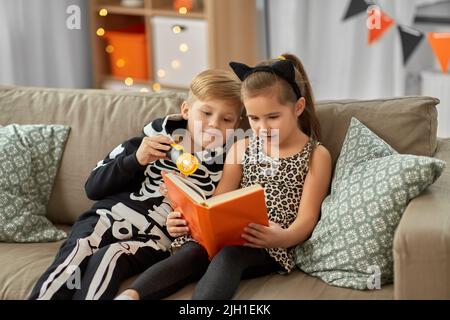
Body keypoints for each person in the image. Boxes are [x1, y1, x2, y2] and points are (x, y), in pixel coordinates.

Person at [116, 53, 332, 300]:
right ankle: (130, 296)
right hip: (228, 234)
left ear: (298, 108)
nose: (263, 127)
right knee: (192, 251)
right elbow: (218, 199)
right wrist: (186, 220)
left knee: (229, 254)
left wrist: (283, 236)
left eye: (273, 117)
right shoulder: (242, 147)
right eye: (253, 118)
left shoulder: (316, 154)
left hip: (271, 246)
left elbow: (307, 219)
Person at [28, 69, 243, 300]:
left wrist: (185, 225)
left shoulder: (229, 164)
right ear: (186, 111)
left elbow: (212, 220)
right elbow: (92, 188)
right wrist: (135, 160)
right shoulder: (147, 143)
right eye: (206, 113)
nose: (213, 124)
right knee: (79, 250)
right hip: (106, 217)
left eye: (226, 119)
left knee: (112, 255)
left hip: (154, 239)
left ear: (236, 123)